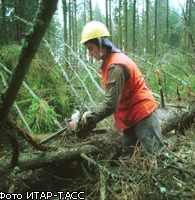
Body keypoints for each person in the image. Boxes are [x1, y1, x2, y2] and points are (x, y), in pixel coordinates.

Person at [69, 21, 165, 157]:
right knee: (129, 157)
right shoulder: (110, 62)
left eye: (90, 48)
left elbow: (110, 104)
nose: (89, 53)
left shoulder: (116, 66)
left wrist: (86, 118)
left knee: (156, 154)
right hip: (129, 115)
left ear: (101, 44)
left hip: (142, 112)